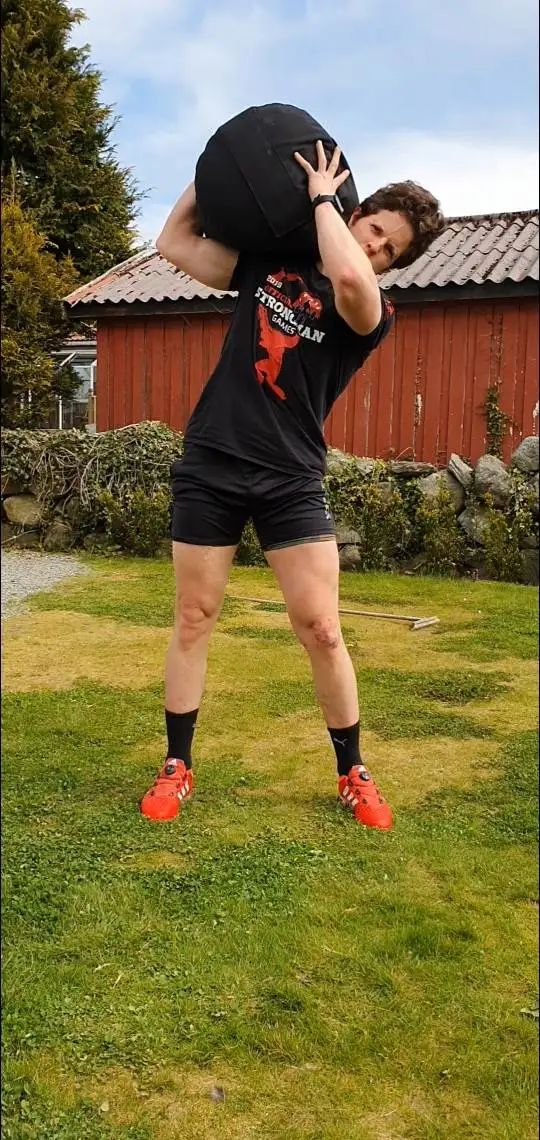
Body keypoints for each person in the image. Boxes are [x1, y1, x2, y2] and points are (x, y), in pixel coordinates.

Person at [141, 143, 445, 828]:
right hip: (213, 462)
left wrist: (320, 200)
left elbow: (348, 276)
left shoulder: (369, 311)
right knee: (194, 616)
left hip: (290, 477)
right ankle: (177, 764)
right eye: (375, 230)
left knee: (323, 629)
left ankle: (353, 772)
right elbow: (174, 242)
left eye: (390, 251)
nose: (375, 249)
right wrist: (218, 166)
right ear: (360, 214)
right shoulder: (266, 264)